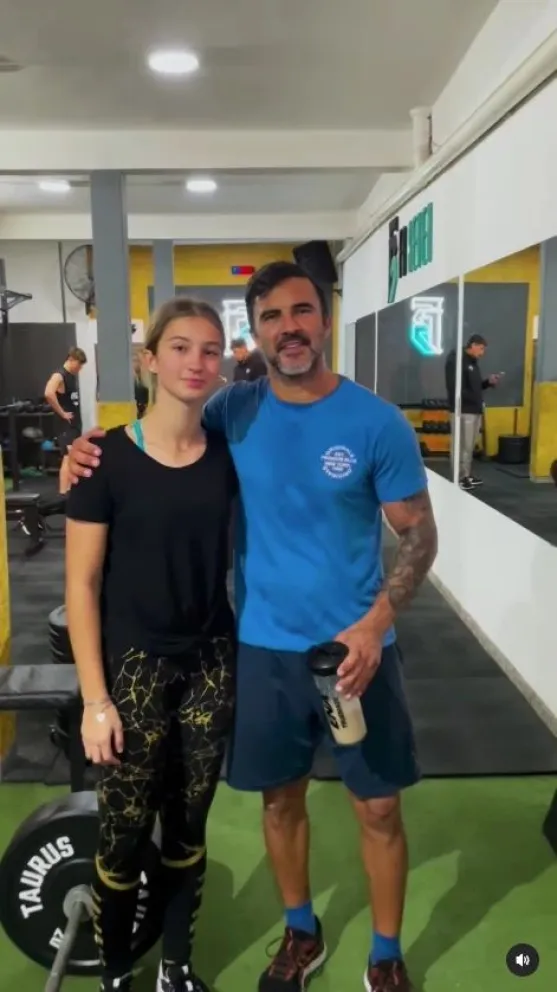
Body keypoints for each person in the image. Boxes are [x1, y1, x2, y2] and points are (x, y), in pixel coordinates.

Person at [68, 261, 438, 992]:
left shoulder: (376, 423)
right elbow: (157, 438)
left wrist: (375, 625)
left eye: (301, 311)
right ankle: (301, 933)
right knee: (280, 801)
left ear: (324, 319)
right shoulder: (231, 412)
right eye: (271, 317)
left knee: (378, 807)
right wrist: (87, 454)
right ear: (258, 332)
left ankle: (385, 952)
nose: (288, 328)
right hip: (264, 650)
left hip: (355, 654)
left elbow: (418, 535)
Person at [65, 298, 237, 992]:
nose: (196, 362)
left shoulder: (227, 455)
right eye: (180, 347)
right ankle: (115, 972)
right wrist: (94, 700)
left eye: (209, 350)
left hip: (211, 663)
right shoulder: (102, 458)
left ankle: (175, 968)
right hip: (133, 669)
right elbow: (81, 585)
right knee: (125, 831)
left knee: (188, 827)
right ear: (150, 360)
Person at [444, 333, 502, 490]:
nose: (482, 353)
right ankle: (458, 477)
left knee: (469, 446)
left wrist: (487, 383)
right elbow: (454, 388)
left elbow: (475, 388)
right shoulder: (456, 361)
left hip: (474, 410)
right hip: (462, 410)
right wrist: (472, 399)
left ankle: (466, 474)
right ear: (473, 345)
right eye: (481, 349)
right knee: (461, 445)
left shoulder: (472, 363)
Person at [44, 346, 87, 494]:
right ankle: (63, 493)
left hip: (73, 425)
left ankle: (69, 491)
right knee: (68, 457)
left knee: (72, 457)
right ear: (71, 359)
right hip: (65, 425)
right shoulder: (59, 375)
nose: (80, 368)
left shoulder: (70, 376)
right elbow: (48, 393)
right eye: (79, 365)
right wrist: (62, 413)